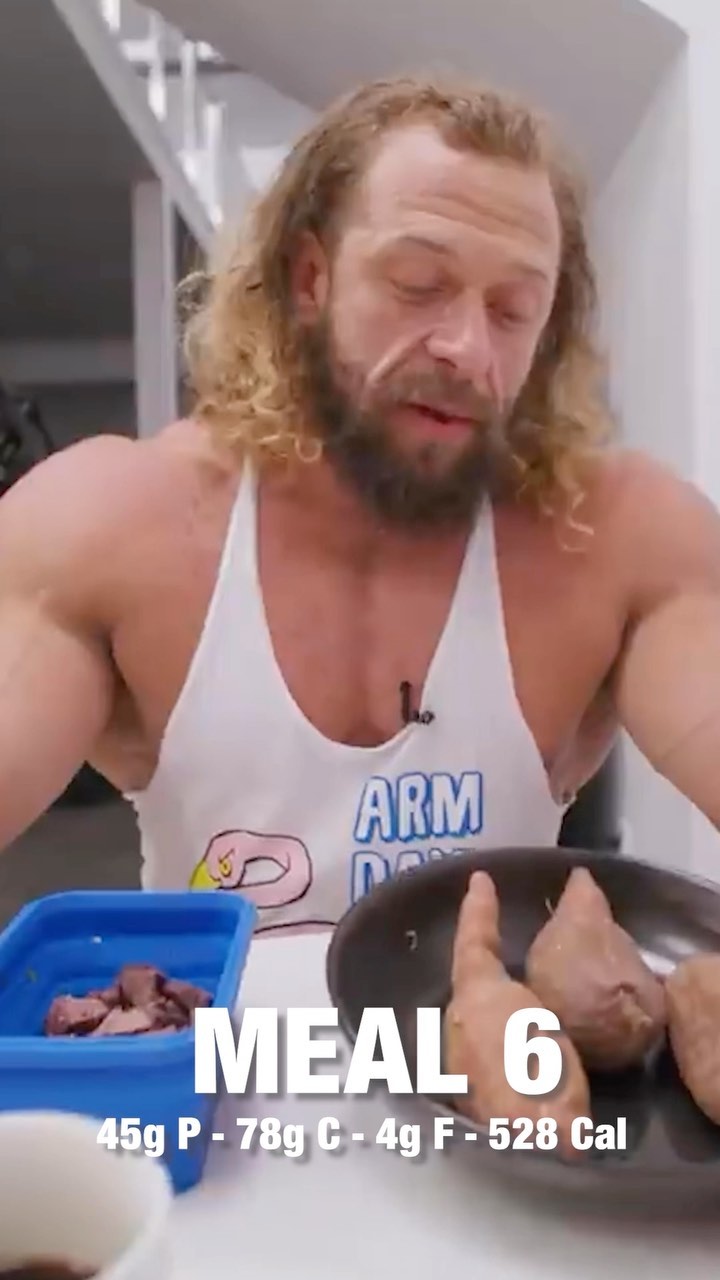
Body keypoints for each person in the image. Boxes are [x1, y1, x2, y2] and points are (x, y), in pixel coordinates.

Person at [1, 75, 720, 937]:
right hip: (215, 1027)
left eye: (512, 310)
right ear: (310, 278)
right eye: (418, 284)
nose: (468, 349)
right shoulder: (107, 525)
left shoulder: (619, 538)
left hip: (497, 1027)